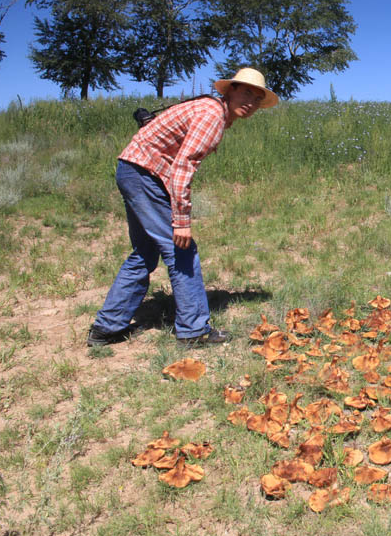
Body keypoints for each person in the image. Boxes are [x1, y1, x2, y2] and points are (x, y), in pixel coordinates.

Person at [87, 67, 278, 347]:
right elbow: (183, 168)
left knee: (145, 252)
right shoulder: (212, 115)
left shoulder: (207, 108)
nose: (251, 102)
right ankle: (193, 329)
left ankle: (106, 328)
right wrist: (182, 221)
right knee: (182, 250)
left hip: (134, 170)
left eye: (258, 98)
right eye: (246, 92)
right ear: (230, 90)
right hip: (144, 175)